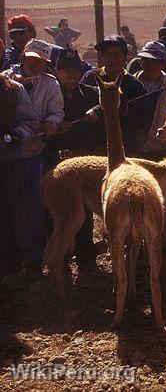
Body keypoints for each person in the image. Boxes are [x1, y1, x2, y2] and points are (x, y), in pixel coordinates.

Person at [45, 50, 102, 270]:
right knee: (59, 214)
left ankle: (87, 258)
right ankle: (61, 259)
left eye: (76, 71)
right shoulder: (51, 93)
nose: (72, 76)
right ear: (57, 72)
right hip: (57, 161)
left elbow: (108, 102)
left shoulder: (90, 93)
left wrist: (95, 111)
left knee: (84, 212)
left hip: (82, 162)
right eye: (67, 71)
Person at [0, 71, 46, 284]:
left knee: (18, 215)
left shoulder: (12, 90)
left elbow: (29, 122)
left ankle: (23, 267)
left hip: (13, 163)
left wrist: (14, 136)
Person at [80, 35, 147, 150]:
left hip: (124, 148)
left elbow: (142, 121)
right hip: (92, 146)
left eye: (117, 55)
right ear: (101, 57)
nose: (112, 59)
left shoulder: (134, 85)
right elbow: (79, 105)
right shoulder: (90, 77)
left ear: (125, 58)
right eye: (108, 55)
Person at [2, 39, 64, 142]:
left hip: (37, 142)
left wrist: (51, 122)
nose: (36, 64)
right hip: (6, 139)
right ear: (23, 58)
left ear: (46, 64)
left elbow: (57, 112)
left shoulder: (51, 84)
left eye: (41, 61)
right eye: (32, 59)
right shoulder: (6, 78)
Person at [132, 41, 166, 156]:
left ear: (163, 64)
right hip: (132, 150)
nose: (149, 64)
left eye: (154, 61)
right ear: (140, 62)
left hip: (162, 152)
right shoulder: (129, 84)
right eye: (146, 60)